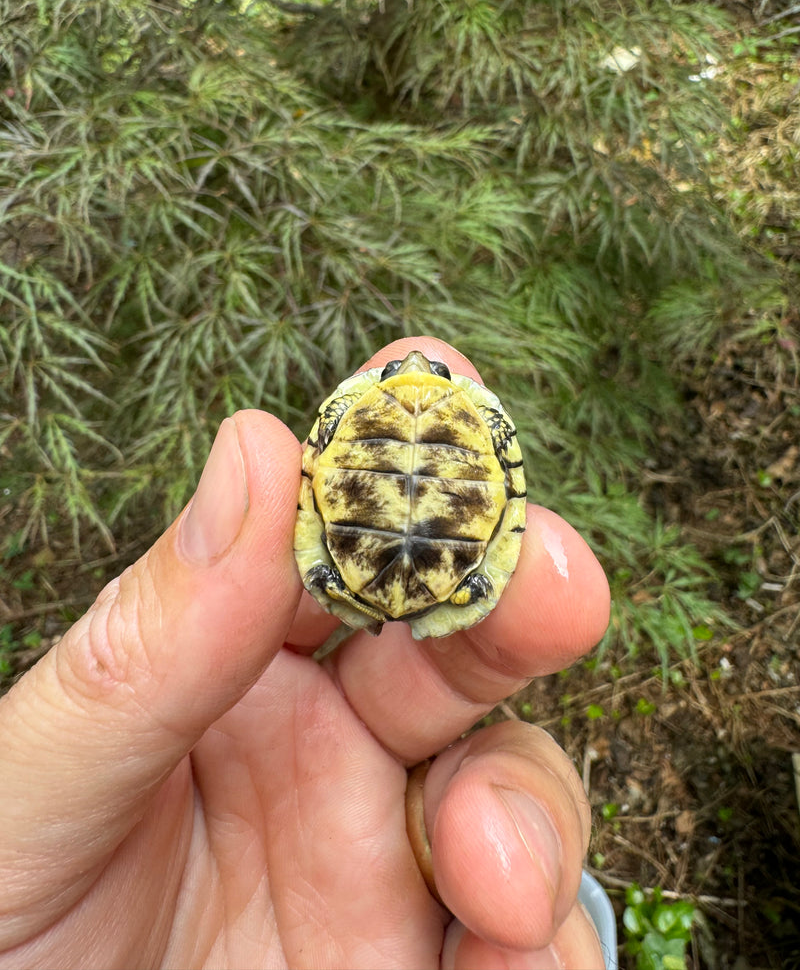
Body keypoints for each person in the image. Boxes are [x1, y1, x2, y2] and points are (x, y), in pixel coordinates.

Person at [0, 338, 611, 970]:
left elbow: (320, 468)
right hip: (440, 567)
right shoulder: (475, 439)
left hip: (371, 565)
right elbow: (507, 491)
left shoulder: (356, 434)